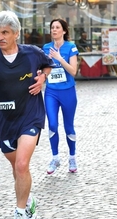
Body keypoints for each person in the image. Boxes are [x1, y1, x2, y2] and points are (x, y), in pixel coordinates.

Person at [0, 10, 54, 219]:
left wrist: (42, 79)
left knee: (21, 165)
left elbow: (47, 65)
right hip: (6, 120)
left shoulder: (32, 54)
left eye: (5, 32)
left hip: (31, 115)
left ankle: (19, 215)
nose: (1, 37)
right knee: (18, 167)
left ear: (16, 33)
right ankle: (29, 201)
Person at [42, 19, 79, 175]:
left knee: (68, 127)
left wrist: (59, 58)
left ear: (64, 31)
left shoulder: (71, 47)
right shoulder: (45, 48)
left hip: (68, 91)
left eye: (57, 27)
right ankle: (55, 157)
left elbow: (73, 71)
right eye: (52, 27)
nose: (54, 30)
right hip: (51, 91)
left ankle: (72, 157)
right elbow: (44, 68)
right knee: (52, 125)